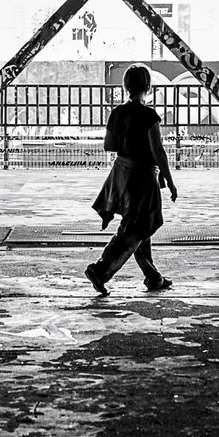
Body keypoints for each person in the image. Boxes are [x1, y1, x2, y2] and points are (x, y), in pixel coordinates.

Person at [85, 64, 178, 294]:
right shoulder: (148, 115)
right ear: (148, 86)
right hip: (143, 177)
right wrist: (170, 180)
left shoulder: (117, 113)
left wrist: (127, 142)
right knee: (136, 228)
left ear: (126, 86)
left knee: (138, 225)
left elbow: (109, 145)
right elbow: (158, 150)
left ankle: (153, 277)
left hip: (121, 175)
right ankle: (101, 270)